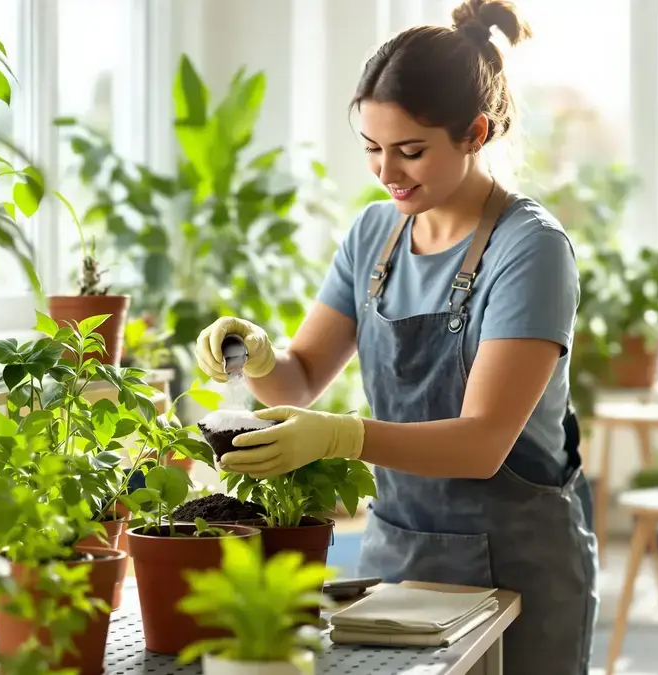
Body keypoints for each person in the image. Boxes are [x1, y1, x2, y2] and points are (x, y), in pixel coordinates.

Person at [193, 1, 597, 673]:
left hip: (519, 567)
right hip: (396, 564)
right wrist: (255, 352)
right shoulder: (373, 234)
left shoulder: (530, 249)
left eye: (411, 151)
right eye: (373, 150)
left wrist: (342, 434)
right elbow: (295, 379)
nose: (387, 172)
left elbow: (482, 441)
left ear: (474, 132)